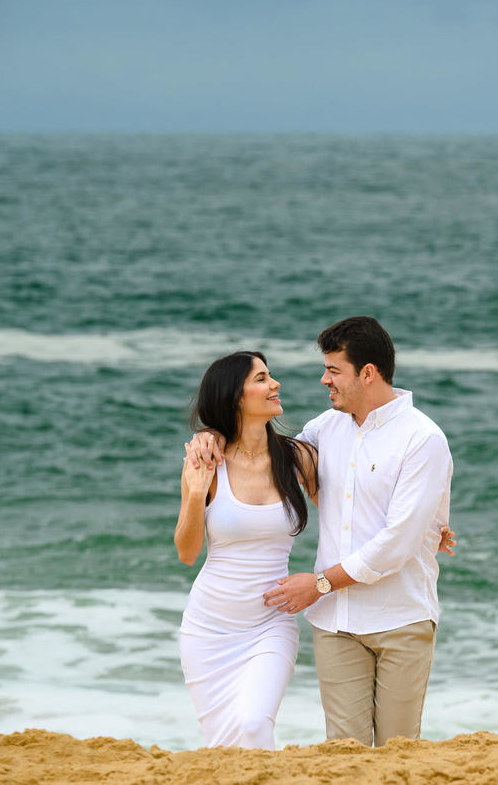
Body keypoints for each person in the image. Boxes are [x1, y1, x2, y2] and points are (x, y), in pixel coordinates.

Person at [188, 316, 454, 747]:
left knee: (397, 752)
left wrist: (320, 583)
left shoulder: (422, 439)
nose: (323, 379)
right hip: (335, 624)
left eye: (333, 370)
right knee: (343, 753)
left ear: (367, 374)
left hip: (399, 617)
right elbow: (257, 446)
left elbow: (396, 544)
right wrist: (209, 433)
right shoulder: (323, 430)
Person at [175, 351, 319, 750]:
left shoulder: (298, 458)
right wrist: (197, 493)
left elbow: (351, 511)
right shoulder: (207, 459)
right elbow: (188, 553)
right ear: (235, 397)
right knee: (222, 747)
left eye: (270, 377)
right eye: (262, 379)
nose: (275, 385)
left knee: (254, 726)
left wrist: (428, 526)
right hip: (207, 629)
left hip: (270, 624)